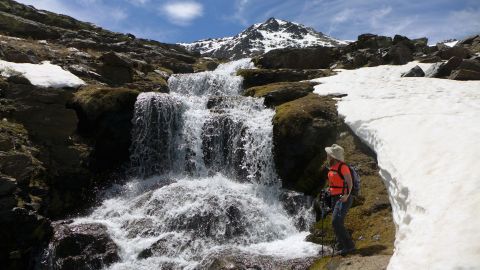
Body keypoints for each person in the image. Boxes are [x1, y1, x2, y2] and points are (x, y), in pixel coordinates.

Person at [325, 143, 355, 256]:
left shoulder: (343, 167)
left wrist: (346, 195)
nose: (327, 156)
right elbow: (335, 182)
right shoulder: (332, 167)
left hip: (343, 198)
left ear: (333, 156)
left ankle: (349, 246)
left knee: (336, 221)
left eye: (329, 154)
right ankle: (341, 245)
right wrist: (329, 190)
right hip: (334, 197)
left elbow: (349, 182)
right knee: (337, 222)